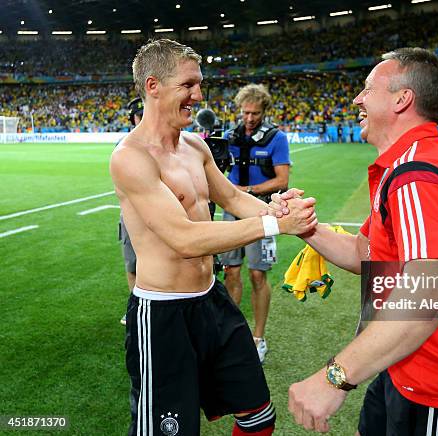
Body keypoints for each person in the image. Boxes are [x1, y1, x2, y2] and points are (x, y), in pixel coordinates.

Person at [274, 47, 438, 435]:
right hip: (407, 364)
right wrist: (304, 228)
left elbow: (428, 291)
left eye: (367, 89)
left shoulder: (417, 174)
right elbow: (364, 253)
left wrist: (334, 377)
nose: (357, 99)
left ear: (401, 99)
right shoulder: (407, 165)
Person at [110, 39, 317, 436]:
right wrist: (276, 226)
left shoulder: (193, 145)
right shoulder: (130, 157)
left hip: (212, 301)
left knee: (258, 419)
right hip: (163, 315)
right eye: (188, 85)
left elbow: (233, 197)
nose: (199, 95)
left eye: (199, 84)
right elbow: (184, 239)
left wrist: (280, 211)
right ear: (153, 86)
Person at [220, 83, 291, 363]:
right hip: (231, 212)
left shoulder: (276, 138)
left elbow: (282, 180)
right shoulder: (229, 136)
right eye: (245, 112)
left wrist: (246, 193)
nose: (249, 118)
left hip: (263, 211)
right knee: (231, 273)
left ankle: (258, 337)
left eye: (255, 113)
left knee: (258, 275)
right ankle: (230, 333)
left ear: (264, 111)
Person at [118, 97, 144, 326]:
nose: (143, 120)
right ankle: (135, 307)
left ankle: (148, 308)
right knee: (132, 264)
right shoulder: (123, 145)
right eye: (139, 116)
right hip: (131, 216)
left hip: (159, 215)